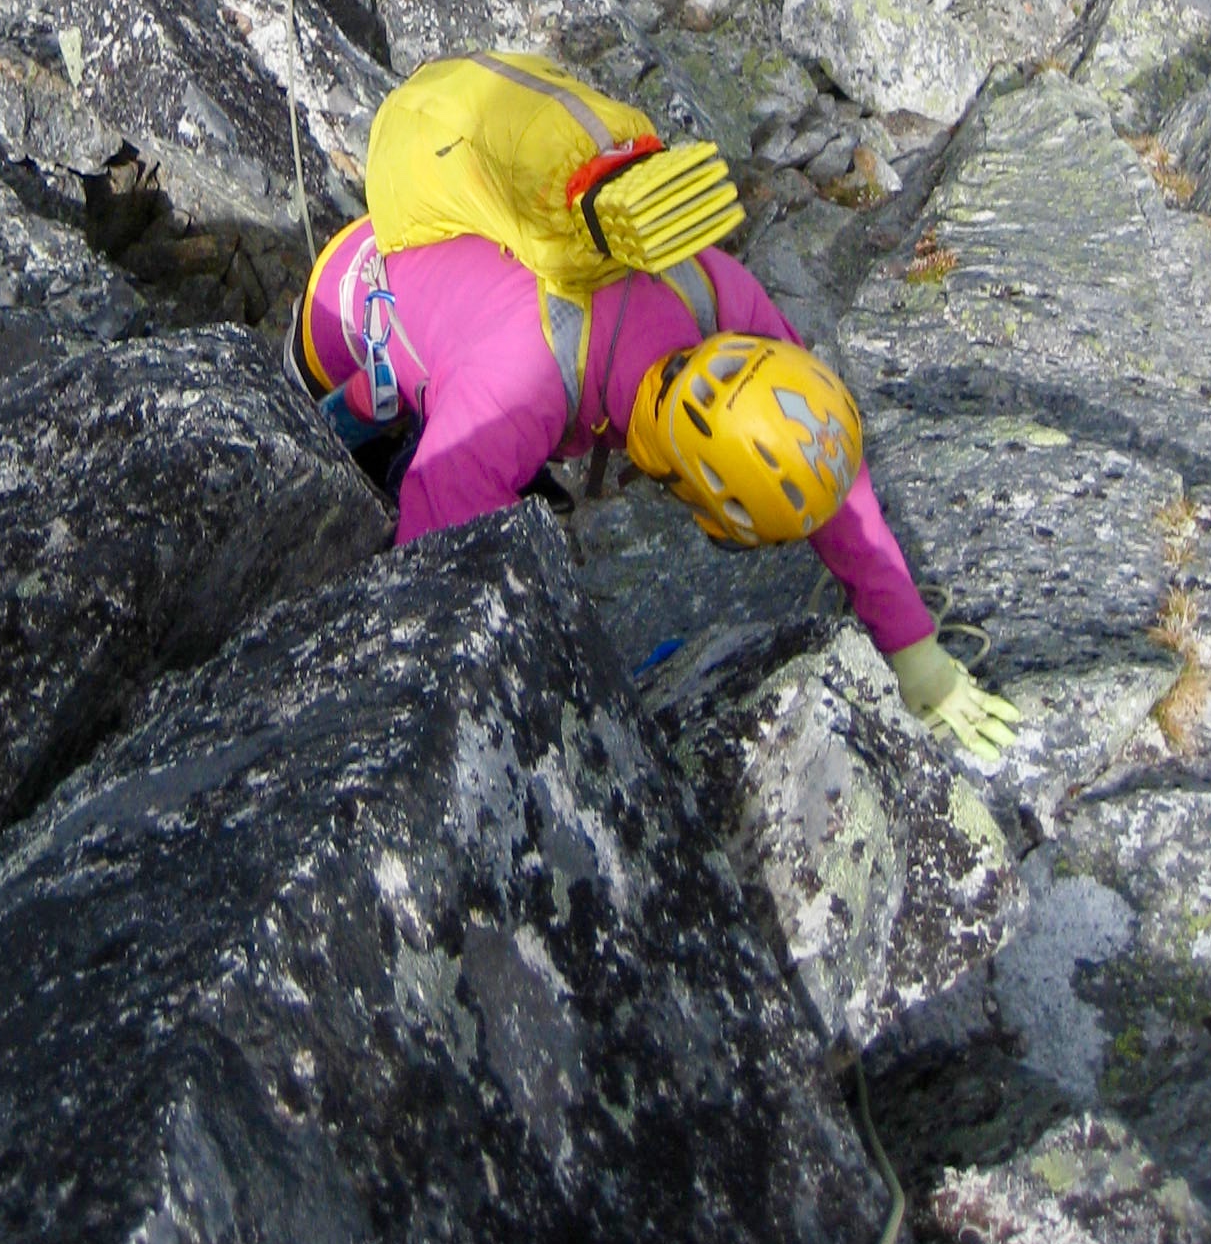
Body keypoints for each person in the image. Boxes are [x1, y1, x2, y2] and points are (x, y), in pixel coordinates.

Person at [287, 51, 1020, 766]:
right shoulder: (522, 384)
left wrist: (917, 655)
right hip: (347, 315)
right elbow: (435, 571)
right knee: (337, 456)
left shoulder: (711, 289)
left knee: (476, 451)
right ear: (677, 481)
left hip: (460, 315)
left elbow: (820, 452)